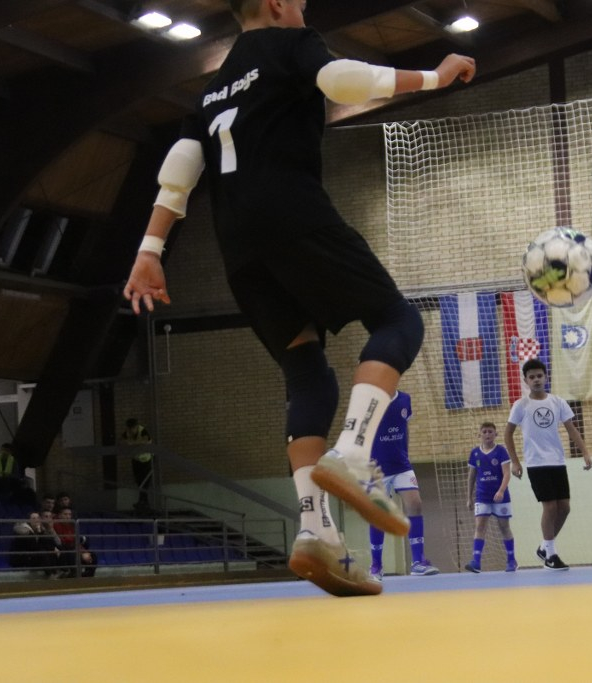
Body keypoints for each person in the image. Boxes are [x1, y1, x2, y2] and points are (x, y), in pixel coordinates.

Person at [122, 0, 475, 597]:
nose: (305, 6)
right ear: (276, 3)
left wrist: (149, 249)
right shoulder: (291, 45)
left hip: (240, 250)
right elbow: (341, 80)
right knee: (397, 321)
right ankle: (354, 454)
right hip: (295, 216)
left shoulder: (211, 91)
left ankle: (316, 532)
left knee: (308, 377)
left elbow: (181, 165)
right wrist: (434, 77)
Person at [505, 358, 592, 571]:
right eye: (532, 377)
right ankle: (551, 555)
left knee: (564, 508)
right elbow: (508, 434)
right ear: (526, 381)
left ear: (546, 377)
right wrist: (515, 462)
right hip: (536, 463)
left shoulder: (557, 402)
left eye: (539, 376)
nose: (536, 380)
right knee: (550, 506)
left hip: (557, 461)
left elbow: (571, 429)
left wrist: (585, 452)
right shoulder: (521, 405)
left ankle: (544, 546)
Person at [367, 391, 438, 581]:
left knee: (415, 504)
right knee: (378, 513)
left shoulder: (405, 398)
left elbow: (405, 427)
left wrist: (405, 453)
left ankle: (418, 561)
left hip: (401, 465)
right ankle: (376, 565)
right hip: (377, 467)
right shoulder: (371, 399)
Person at [464, 422, 518, 573]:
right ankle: (476, 562)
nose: (487, 434)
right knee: (480, 527)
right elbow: (471, 477)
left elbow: (506, 474)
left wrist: (501, 491)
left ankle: (511, 560)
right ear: (479, 435)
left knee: (504, 527)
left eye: (490, 432)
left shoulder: (501, 451)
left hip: (500, 497)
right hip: (482, 497)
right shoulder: (475, 453)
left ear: (496, 434)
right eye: (484, 432)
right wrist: (469, 497)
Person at [120, 418, 154, 512]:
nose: (131, 431)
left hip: (146, 460)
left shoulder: (142, 431)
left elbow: (145, 440)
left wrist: (132, 443)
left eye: (132, 429)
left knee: (145, 482)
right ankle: (143, 502)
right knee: (139, 481)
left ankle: (143, 502)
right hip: (136, 460)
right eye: (129, 429)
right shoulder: (127, 432)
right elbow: (121, 441)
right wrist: (126, 443)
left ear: (136, 427)